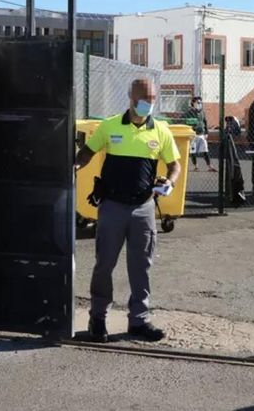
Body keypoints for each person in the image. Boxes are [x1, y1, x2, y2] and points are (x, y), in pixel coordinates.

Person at [74, 78, 181, 343]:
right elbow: (87, 152)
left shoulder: (160, 131)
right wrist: (74, 165)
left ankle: (139, 321)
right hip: (112, 207)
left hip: (143, 209)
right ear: (131, 98)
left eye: (152, 99)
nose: (148, 104)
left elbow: (174, 165)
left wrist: (170, 181)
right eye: (144, 99)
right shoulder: (109, 126)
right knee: (104, 265)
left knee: (141, 266)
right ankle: (98, 320)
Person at [183, 96, 216, 172]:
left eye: (200, 103)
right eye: (198, 102)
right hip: (193, 135)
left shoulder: (202, 112)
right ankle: (195, 166)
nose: (199, 104)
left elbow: (205, 122)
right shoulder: (189, 113)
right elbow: (185, 122)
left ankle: (209, 166)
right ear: (193, 103)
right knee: (193, 151)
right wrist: (192, 125)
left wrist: (206, 132)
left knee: (205, 151)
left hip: (201, 134)